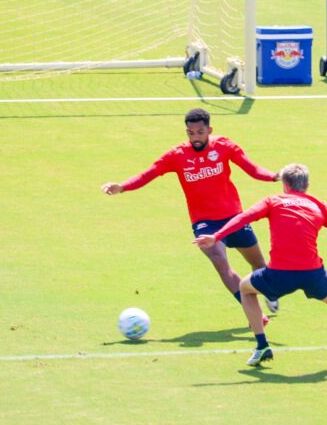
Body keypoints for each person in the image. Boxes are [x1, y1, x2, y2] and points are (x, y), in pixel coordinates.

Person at [195, 163, 327, 369]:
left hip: (279, 274)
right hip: (313, 273)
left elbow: (243, 218)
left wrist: (216, 236)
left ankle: (262, 345)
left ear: (285, 184)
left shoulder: (273, 201)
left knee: (245, 289)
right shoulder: (320, 206)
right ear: (307, 184)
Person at [101, 108, 280, 322]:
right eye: (190, 133)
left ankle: (269, 291)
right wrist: (123, 187)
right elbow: (149, 173)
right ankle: (255, 313)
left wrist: (274, 176)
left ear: (209, 130)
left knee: (259, 265)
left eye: (200, 132)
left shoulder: (224, 146)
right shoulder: (177, 156)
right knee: (219, 260)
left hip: (234, 217)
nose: (195, 137)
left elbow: (252, 168)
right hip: (204, 223)